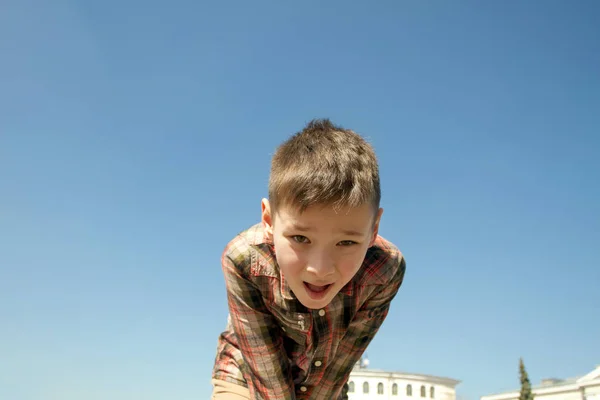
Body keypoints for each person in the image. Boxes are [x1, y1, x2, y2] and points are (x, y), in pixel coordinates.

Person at [211, 119, 406, 399]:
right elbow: (265, 370)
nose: (319, 269)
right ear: (268, 220)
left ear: (374, 229)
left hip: (325, 384)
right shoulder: (244, 259)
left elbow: (341, 363)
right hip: (248, 375)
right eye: (300, 238)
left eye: (347, 242)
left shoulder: (384, 270)